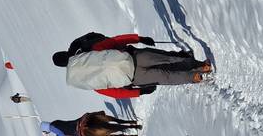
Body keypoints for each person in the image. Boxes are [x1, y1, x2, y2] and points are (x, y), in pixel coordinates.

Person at [52, 32, 211, 98]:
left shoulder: (85, 81)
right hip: (131, 58)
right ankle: (201, 65)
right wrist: (138, 38)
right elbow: (114, 41)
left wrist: (139, 92)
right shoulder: (90, 52)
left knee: (166, 77)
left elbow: (114, 93)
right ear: (67, 54)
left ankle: (195, 77)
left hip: (133, 78)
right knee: (167, 60)